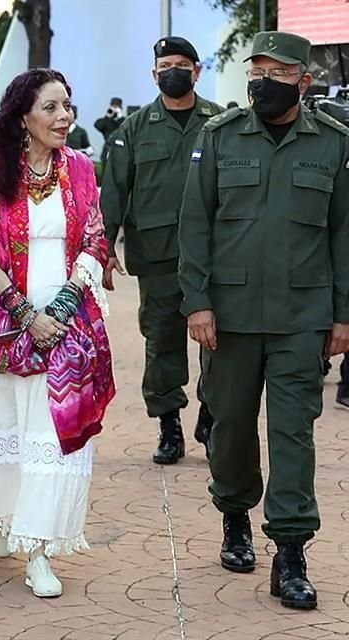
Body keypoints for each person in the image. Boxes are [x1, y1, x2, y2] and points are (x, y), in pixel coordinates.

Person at [0, 69, 115, 599]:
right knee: (10, 427)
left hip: (69, 318)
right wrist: (27, 315)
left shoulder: (78, 167)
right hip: (8, 322)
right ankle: (9, 519)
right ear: (23, 116)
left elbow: (95, 237)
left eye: (67, 107)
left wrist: (68, 302)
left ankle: (39, 549)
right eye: (51, 108)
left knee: (53, 436)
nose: (64, 118)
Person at [179, 31, 349, 611]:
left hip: (302, 317)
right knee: (229, 427)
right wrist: (196, 302)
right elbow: (194, 224)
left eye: (277, 73)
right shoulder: (219, 137)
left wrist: (343, 316)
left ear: (304, 80)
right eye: (257, 71)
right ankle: (233, 513)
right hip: (226, 318)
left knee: (294, 435)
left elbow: (344, 235)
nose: (262, 82)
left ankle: (291, 553)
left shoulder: (333, 144)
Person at [100, 37, 223, 464]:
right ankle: (168, 424)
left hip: (215, 255)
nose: (173, 71)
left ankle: (210, 415)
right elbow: (114, 189)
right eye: (165, 64)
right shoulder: (134, 129)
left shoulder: (220, 122)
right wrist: (105, 245)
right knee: (163, 342)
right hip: (157, 255)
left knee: (219, 341)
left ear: (197, 70)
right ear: (154, 74)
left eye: (182, 64)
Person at [94, 96, 125, 166]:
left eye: (117, 107)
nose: (114, 109)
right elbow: (98, 125)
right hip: (107, 150)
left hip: (121, 151)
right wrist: (108, 116)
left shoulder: (123, 121)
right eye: (113, 106)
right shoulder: (107, 121)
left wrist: (120, 117)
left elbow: (126, 129)